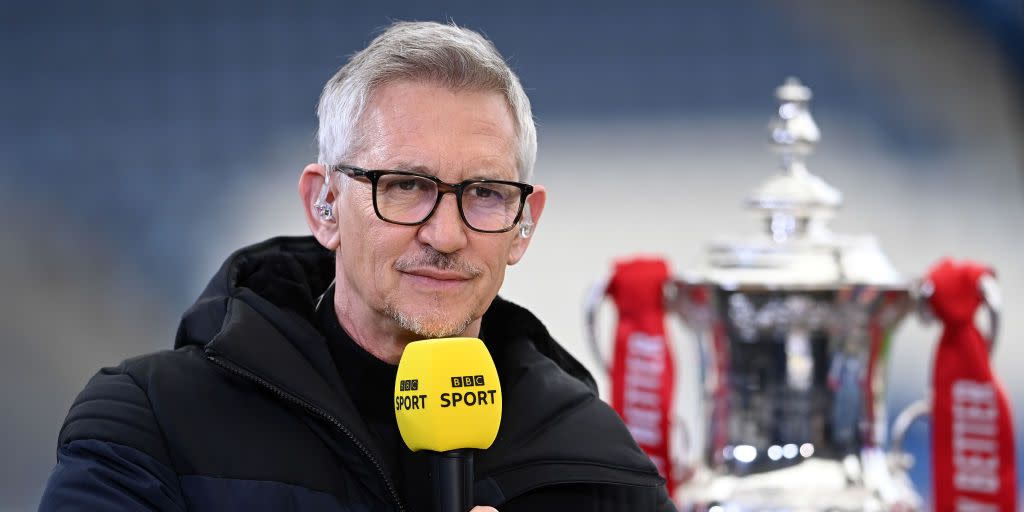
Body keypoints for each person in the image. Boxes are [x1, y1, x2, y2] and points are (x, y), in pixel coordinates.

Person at [39, 21, 675, 511]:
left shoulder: (601, 465)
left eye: (484, 193)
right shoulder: (149, 425)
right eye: (405, 186)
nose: (446, 234)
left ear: (523, 224)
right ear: (324, 206)